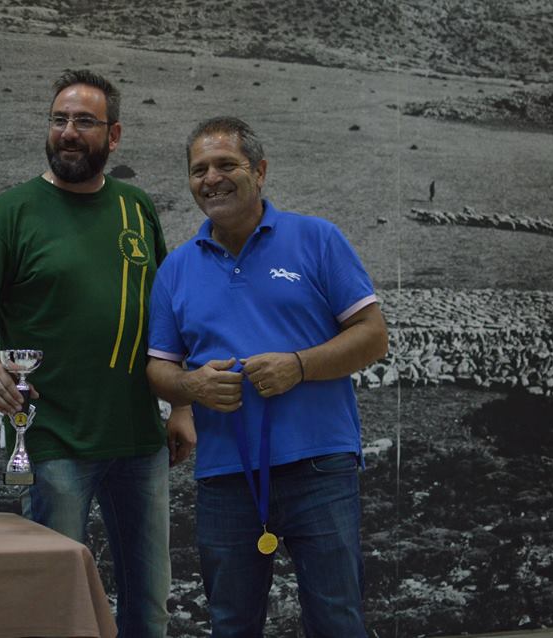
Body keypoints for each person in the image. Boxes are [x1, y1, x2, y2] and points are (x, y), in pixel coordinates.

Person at [0, 69, 177, 637]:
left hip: (140, 441)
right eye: (59, 119)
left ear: (114, 135)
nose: (68, 132)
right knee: (57, 610)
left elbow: (169, 317)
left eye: (84, 121)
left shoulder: (137, 208)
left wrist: (184, 407)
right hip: (53, 444)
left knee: (150, 609)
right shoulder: (12, 211)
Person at [146, 116, 388, 638]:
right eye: (199, 170)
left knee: (337, 621)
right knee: (232, 625)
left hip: (319, 467)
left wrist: (299, 366)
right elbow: (158, 369)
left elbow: (373, 336)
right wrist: (191, 387)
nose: (212, 178)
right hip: (225, 477)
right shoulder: (176, 269)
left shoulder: (317, 239)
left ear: (259, 171)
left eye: (226, 164)